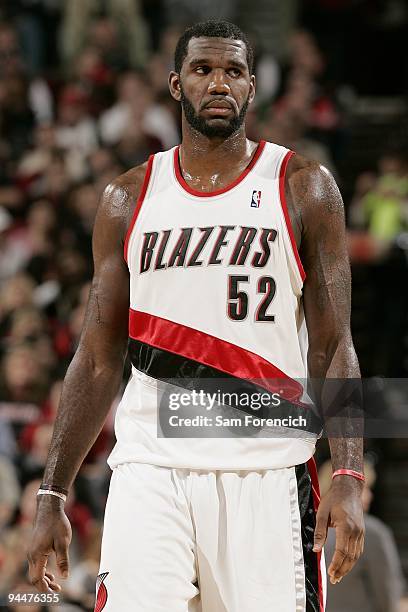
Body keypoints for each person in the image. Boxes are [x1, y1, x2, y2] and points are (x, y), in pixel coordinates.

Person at [28, 20, 365, 611]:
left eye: (233, 72)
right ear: (175, 83)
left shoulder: (304, 187)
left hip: (268, 470)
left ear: (253, 88)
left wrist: (348, 474)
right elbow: (100, 354)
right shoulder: (128, 197)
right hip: (150, 468)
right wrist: (52, 491)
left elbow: (333, 346)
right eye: (203, 70)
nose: (218, 83)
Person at [320, 460, 405, 612]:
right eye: (365, 489)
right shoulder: (372, 531)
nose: (370, 496)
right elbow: (387, 591)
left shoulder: (309, 528)